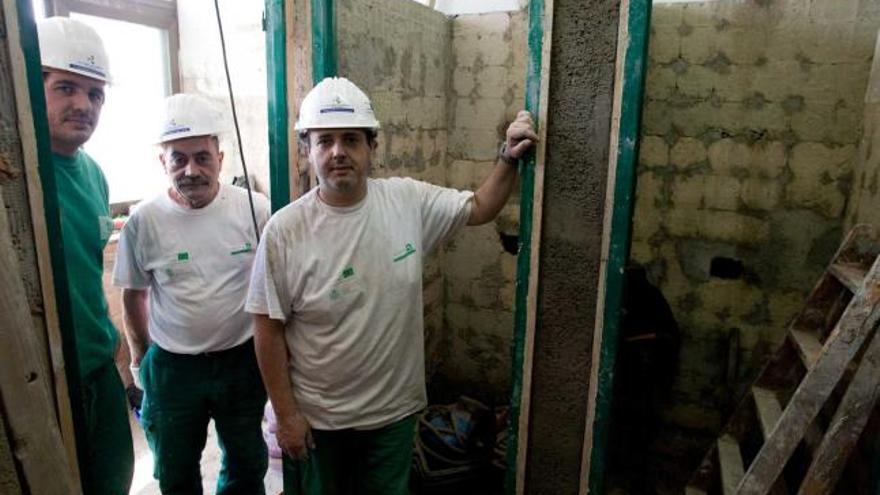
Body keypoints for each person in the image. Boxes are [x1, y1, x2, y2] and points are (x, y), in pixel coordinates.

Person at [246, 76, 537, 494]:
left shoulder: (407, 202)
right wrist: (286, 414)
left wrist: (508, 157)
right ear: (306, 150)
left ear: (373, 147)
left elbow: (480, 206)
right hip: (319, 422)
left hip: (392, 419)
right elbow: (267, 329)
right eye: (324, 141)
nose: (338, 152)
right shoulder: (285, 231)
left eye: (351, 139)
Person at [113, 93, 271, 494]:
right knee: (175, 468)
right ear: (162, 162)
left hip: (241, 361)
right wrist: (141, 360)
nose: (191, 169)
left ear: (220, 157)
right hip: (173, 367)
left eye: (202, 156)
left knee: (245, 463)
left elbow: (271, 288)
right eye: (178, 158)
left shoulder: (255, 210)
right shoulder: (143, 221)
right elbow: (133, 295)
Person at [37, 16, 134, 494]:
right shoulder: (21, 176)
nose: (83, 105)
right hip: (45, 378)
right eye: (66, 88)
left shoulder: (94, 175)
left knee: (113, 479)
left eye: (95, 94)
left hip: (97, 368)